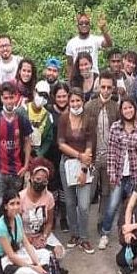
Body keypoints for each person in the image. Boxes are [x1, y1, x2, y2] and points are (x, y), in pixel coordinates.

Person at [0, 189, 78, 274]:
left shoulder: (17, 218)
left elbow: (26, 244)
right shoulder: (1, 226)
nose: (15, 207)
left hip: (18, 253)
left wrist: (38, 264)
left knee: (45, 253)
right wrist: (34, 267)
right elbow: (11, 256)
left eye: (18, 203)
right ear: (5, 206)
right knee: (30, 272)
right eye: (12, 204)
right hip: (6, 262)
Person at [99, 98, 137, 250]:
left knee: (130, 207)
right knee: (112, 205)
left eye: (130, 108)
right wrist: (112, 175)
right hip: (119, 175)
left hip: (135, 175)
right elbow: (111, 152)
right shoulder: (115, 127)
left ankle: (129, 234)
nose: (128, 111)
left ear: (134, 109)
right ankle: (105, 234)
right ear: (121, 110)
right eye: (125, 108)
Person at [0, 82, 34, 216]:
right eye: (6, 98)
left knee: (15, 205)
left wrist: (25, 166)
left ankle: (15, 233)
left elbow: (27, 141)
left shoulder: (21, 118)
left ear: (16, 98)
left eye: (11, 97)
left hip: (17, 170)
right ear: (1, 98)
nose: (9, 101)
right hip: (0, 169)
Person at [57, 88, 95, 254]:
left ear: (83, 101)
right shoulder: (64, 118)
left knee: (84, 205)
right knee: (70, 202)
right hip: (66, 164)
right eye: (72, 101)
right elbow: (61, 143)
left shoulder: (89, 119)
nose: (75, 104)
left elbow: (90, 145)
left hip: (84, 166)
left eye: (78, 100)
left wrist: (84, 168)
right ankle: (74, 234)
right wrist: (79, 156)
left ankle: (84, 237)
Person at [84, 71, 120, 234]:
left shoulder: (116, 108)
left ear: (113, 88)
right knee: (88, 192)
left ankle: (101, 221)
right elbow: (83, 131)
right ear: (98, 87)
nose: (105, 90)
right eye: (103, 87)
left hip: (109, 157)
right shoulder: (89, 106)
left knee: (106, 192)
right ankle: (82, 224)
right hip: (92, 156)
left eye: (109, 87)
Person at [47, 82, 71, 232]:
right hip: (51, 153)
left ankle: (64, 217)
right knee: (52, 186)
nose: (62, 99)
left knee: (65, 187)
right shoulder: (48, 111)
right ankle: (52, 216)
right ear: (54, 97)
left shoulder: (73, 110)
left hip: (67, 153)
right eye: (59, 96)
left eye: (64, 96)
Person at [65, 11, 112, 79]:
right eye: (81, 23)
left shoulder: (95, 39)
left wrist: (103, 29)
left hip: (94, 78)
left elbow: (109, 44)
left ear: (90, 25)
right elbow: (70, 65)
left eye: (86, 23)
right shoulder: (71, 43)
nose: (84, 25)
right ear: (77, 26)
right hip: (78, 79)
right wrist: (70, 83)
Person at [19, 80, 54, 159]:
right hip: (20, 155)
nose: (42, 98)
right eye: (40, 94)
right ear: (34, 92)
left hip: (37, 155)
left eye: (45, 96)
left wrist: (39, 154)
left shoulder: (48, 117)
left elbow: (48, 140)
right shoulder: (21, 111)